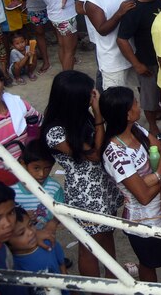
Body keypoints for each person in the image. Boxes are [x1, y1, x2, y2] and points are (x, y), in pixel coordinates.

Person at [41, 70, 122, 279]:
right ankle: (97, 291)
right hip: (85, 193)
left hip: (103, 186)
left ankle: (113, 281)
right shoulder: (55, 132)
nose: (92, 97)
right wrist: (98, 117)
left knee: (107, 235)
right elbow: (94, 154)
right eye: (88, 95)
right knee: (89, 244)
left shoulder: (79, 116)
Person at [100, 86, 161, 282]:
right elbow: (144, 197)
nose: (139, 106)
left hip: (160, 208)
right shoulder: (115, 153)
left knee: (155, 261)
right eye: (136, 103)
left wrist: (155, 182)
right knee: (149, 265)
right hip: (142, 222)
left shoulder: (136, 129)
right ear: (127, 114)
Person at [117, 0, 161, 138]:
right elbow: (121, 40)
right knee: (150, 99)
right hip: (148, 62)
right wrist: (137, 65)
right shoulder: (133, 10)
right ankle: (153, 129)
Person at [84, 0, 135, 89]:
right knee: (116, 102)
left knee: (144, 94)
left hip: (133, 54)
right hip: (113, 60)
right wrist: (119, 12)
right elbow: (102, 30)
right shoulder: (92, 1)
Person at [11, 139, 63, 236]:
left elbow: (62, 211)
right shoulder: (11, 189)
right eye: (36, 168)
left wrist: (53, 223)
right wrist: (21, 216)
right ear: (23, 164)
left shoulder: (54, 188)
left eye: (47, 168)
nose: (41, 174)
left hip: (46, 236)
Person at [8, 206, 67, 280]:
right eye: (21, 233)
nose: (30, 232)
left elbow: (61, 263)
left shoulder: (47, 243)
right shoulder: (10, 264)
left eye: (30, 224)